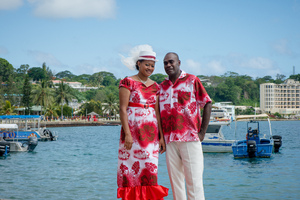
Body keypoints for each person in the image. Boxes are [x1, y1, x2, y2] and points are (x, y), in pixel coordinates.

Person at [159, 52, 212, 200]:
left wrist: (202, 133)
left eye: (171, 62)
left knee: (194, 184)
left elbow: (207, 103)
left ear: (179, 63)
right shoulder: (161, 87)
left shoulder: (192, 80)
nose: (168, 65)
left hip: (189, 137)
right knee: (176, 185)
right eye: (165, 63)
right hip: (169, 141)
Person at [117, 50, 169, 199]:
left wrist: (161, 137)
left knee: (149, 169)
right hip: (132, 132)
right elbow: (122, 109)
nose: (150, 68)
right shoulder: (128, 82)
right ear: (138, 64)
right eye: (147, 65)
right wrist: (127, 134)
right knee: (130, 168)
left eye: (152, 66)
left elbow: (157, 112)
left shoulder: (156, 87)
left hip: (150, 134)